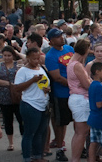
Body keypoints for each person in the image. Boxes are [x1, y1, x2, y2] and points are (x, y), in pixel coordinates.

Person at [14, 47, 51, 162]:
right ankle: (27, 157)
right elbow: (17, 88)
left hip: (43, 104)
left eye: (38, 58)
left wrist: (46, 89)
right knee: (29, 133)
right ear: (28, 58)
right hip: (30, 104)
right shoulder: (23, 71)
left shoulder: (41, 68)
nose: (36, 61)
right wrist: (32, 81)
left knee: (40, 132)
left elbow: (43, 84)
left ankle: (38, 156)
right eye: (33, 59)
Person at [45, 28, 74, 161]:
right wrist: (73, 84)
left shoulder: (69, 49)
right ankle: (60, 148)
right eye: (57, 36)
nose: (61, 38)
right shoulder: (51, 56)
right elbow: (57, 77)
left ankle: (81, 147)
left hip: (74, 92)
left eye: (61, 35)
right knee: (61, 123)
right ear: (51, 41)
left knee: (77, 120)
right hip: (61, 94)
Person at [0, 46, 24, 151]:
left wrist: (17, 53)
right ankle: (10, 143)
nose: (6, 58)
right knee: (8, 120)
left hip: (17, 96)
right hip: (4, 96)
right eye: (5, 55)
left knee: (21, 120)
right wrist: (9, 84)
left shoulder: (18, 65)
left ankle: (24, 141)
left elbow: (26, 59)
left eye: (9, 55)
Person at [67, 39, 92, 162]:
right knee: (82, 132)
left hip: (76, 98)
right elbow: (87, 84)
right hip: (80, 99)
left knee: (79, 131)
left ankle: (75, 158)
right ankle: (75, 158)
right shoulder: (77, 65)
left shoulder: (72, 62)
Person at [87, 62, 102, 162]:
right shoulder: (98, 86)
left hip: (94, 118)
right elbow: (99, 104)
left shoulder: (93, 84)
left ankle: (91, 159)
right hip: (101, 119)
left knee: (94, 142)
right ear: (97, 72)